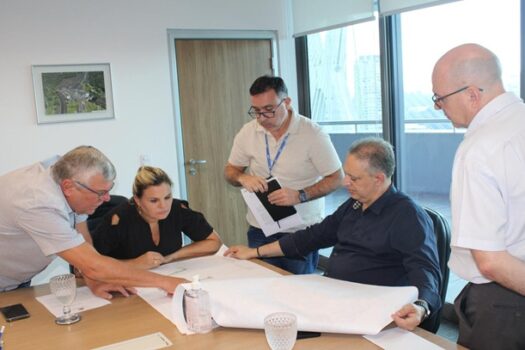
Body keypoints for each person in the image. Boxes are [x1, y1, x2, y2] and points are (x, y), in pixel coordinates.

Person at [225, 137, 441, 331]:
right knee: (270, 310)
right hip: (336, 298)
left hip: (373, 311)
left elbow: (426, 270)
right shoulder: (354, 205)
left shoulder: (407, 215)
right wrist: (255, 252)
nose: (345, 183)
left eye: (354, 178)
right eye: (346, 175)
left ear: (378, 178)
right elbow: (311, 237)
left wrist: (421, 306)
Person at [432, 44, 525, 349]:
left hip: (503, 303)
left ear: (472, 94)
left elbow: (490, 262)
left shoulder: (480, 149)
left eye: (440, 99)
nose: (439, 108)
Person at [0, 146, 186, 298]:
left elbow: (81, 236)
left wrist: (93, 279)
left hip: (14, 280)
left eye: (108, 190)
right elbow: (93, 264)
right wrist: (166, 282)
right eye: (100, 193)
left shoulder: (64, 172)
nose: (106, 199)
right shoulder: (38, 203)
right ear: (68, 187)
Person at [224, 75, 343, 274]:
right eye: (256, 111)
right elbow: (230, 171)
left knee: (299, 293)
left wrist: (300, 195)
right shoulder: (248, 132)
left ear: (286, 102)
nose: (262, 118)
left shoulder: (313, 134)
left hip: (300, 233)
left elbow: (336, 178)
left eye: (269, 110)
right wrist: (242, 178)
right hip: (259, 229)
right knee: (262, 287)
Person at [91, 166, 222, 269]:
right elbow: (87, 266)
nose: (163, 206)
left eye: (167, 197)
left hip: (166, 276)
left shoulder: (177, 209)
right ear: (137, 200)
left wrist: (170, 257)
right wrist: (134, 264)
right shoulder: (119, 219)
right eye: (154, 200)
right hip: (125, 283)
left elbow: (214, 243)